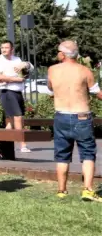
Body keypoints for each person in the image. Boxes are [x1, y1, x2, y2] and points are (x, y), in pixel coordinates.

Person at [48, 40, 102, 202]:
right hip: (82, 117)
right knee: (87, 153)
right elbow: (97, 93)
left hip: (61, 116)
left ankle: (61, 190)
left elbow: (51, 89)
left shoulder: (52, 70)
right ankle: (87, 190)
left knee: (62, 154)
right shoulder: (85, 71)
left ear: (63, 54)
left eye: (58, 51)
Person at [0, 40, 32, 153]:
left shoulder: (17, 60)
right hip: (7, 92)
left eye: (6, 47)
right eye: (2, 47)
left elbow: (24, 73)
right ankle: (23, 144)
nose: (3, 49)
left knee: (10, 122)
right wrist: (16, 79)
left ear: (12, 49)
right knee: (18, 117)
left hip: (17, 92)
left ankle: (1, 142)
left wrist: (25, 68)